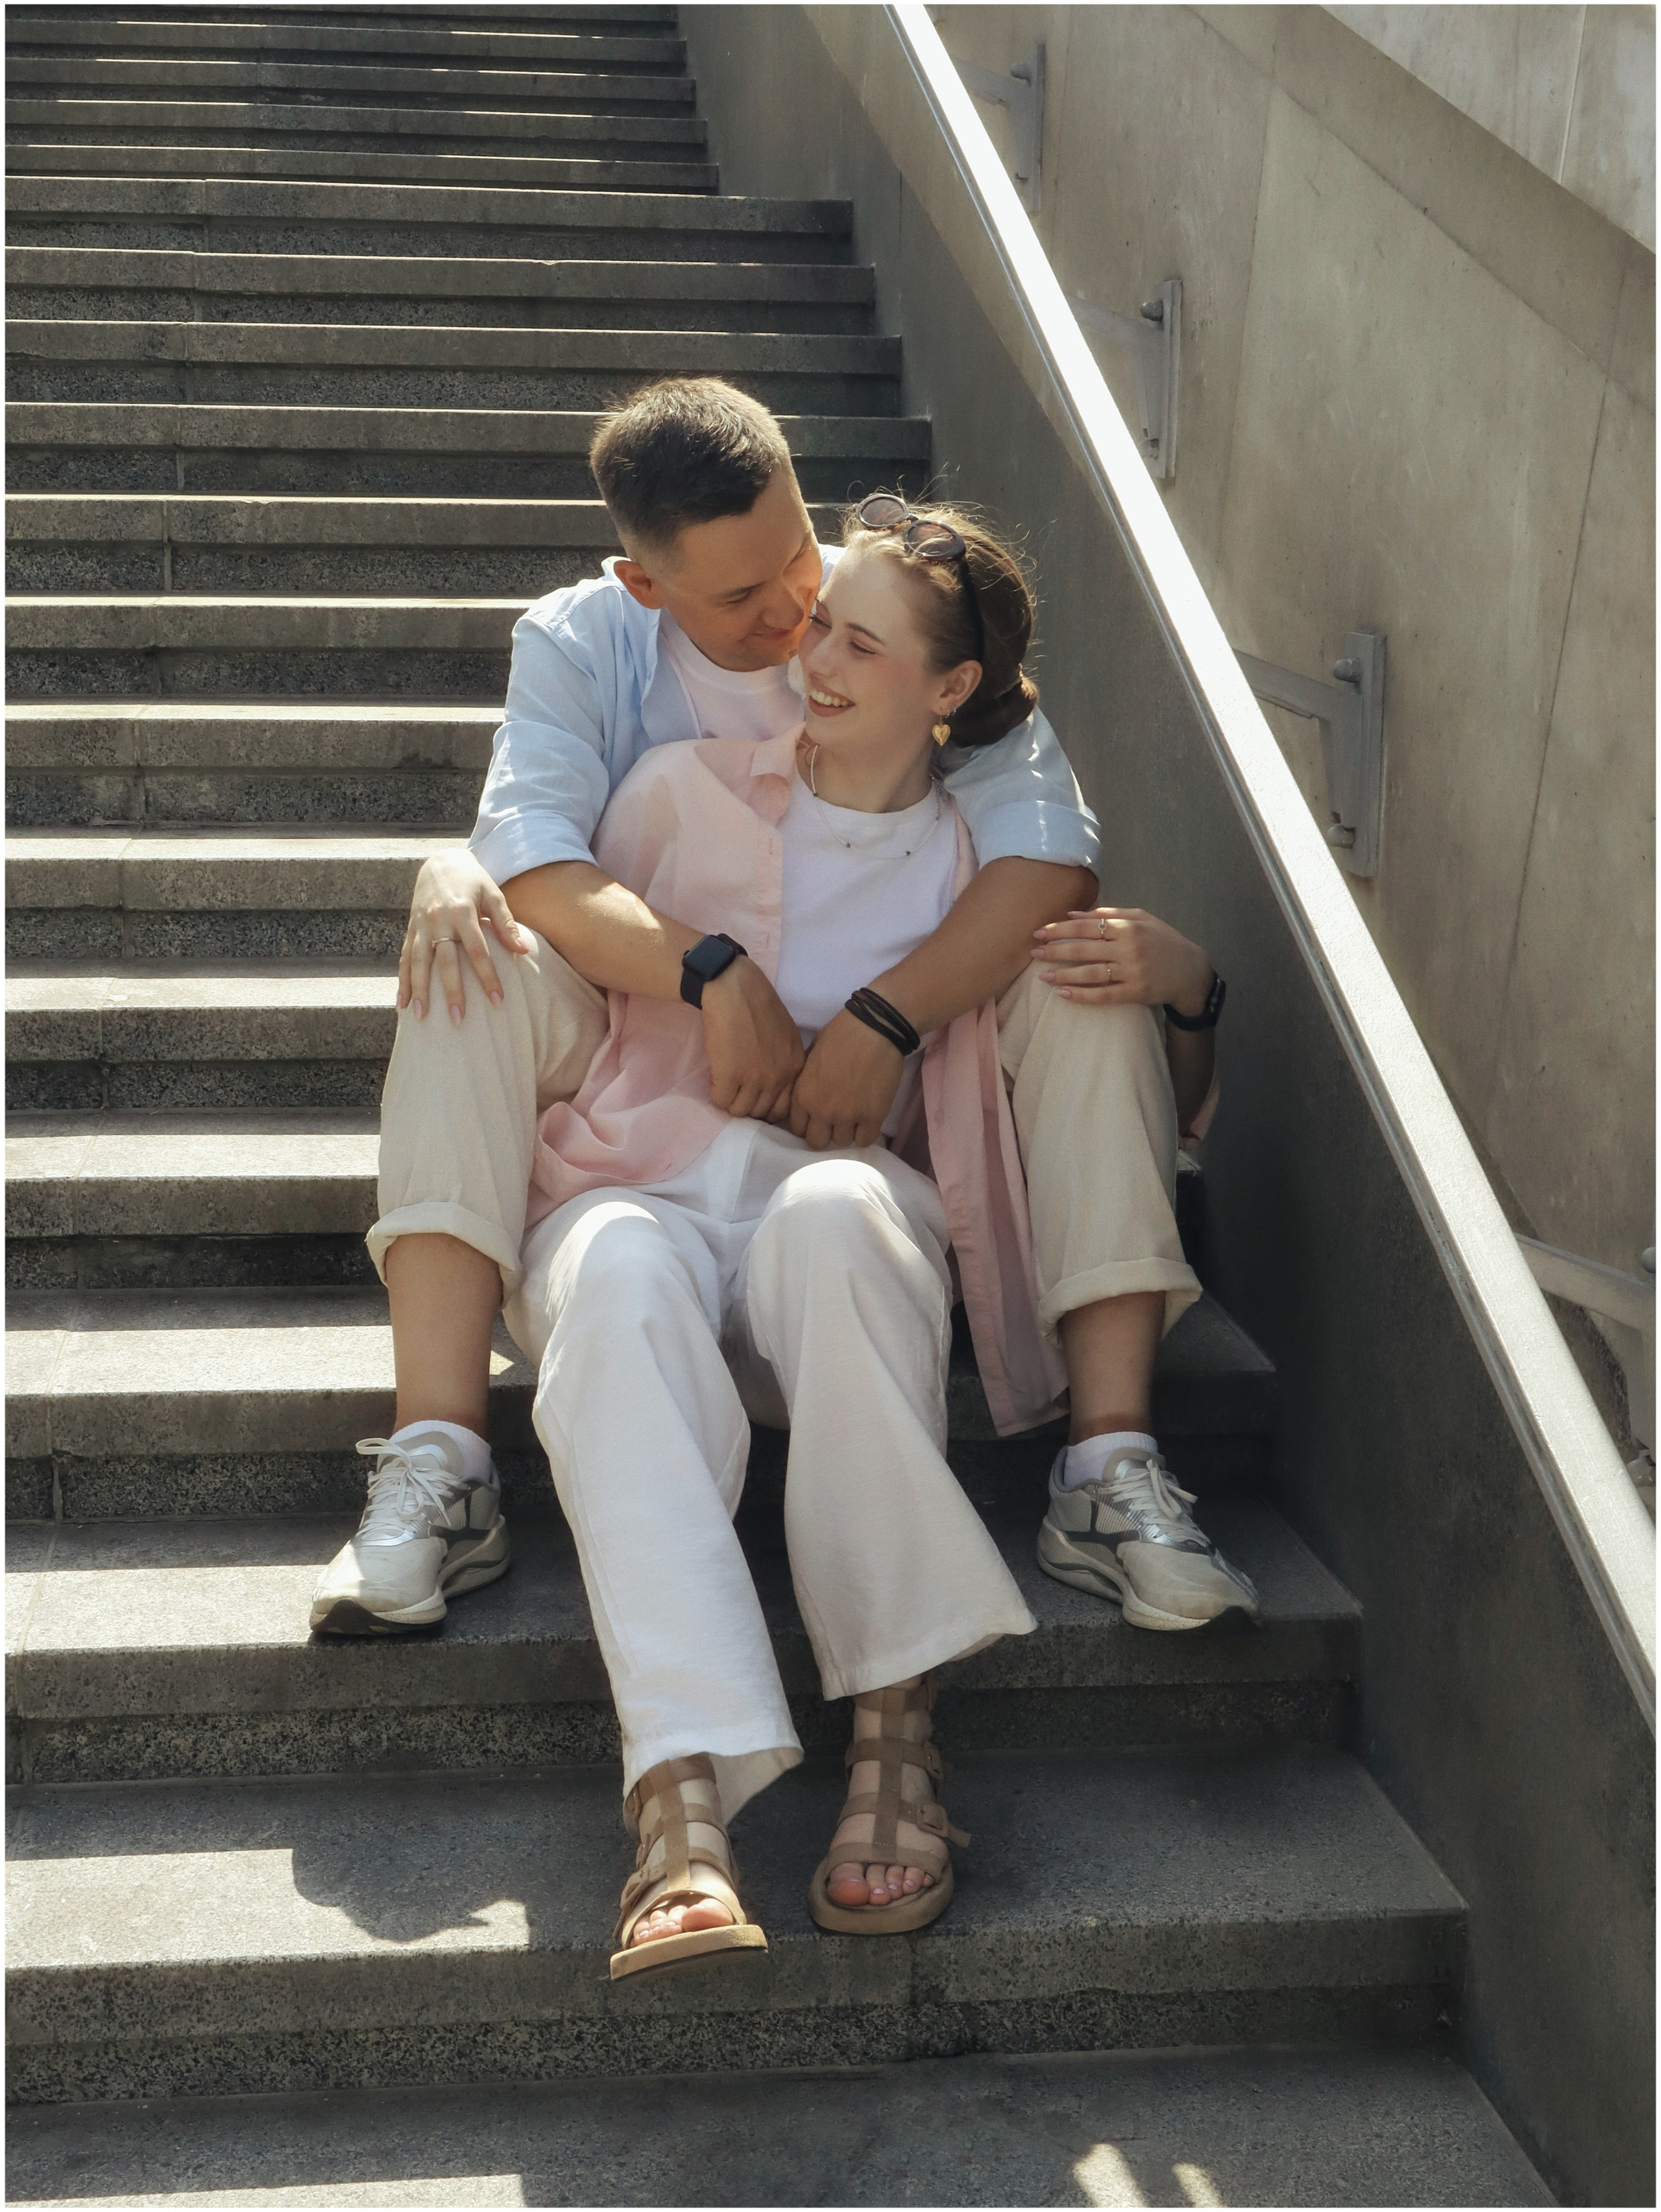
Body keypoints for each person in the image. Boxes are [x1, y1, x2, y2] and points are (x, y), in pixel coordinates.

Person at [310, 380, 1257, 1666]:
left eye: (795, 557)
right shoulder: (587, 642)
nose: (796, 616)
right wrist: (709, 972)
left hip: (900, 1103)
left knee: (1068, 968)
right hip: (649, 1054)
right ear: (649, 590)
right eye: (742, 600)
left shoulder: (894, 614)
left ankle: (1106, 1461)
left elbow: (1043, 866)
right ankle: (440, 1455)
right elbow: (532, 858)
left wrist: (884, 1021)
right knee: (468, 949)